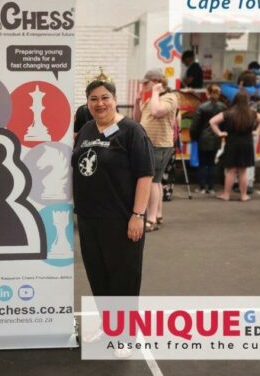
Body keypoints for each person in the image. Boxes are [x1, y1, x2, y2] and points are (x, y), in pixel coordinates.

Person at [72, 79, 153, 357]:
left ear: (115, 99)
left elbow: (145, 174)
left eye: (105, 97)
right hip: (89, 218)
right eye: (93, 99)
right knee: (99, 277)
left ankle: (125, 336)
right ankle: (109, 327)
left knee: (123, 279)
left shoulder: (132, 131)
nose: (100, 103)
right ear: (87, 103)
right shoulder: (86, 129)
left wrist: (137, 215)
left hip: (121, 219)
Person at [135, 69, 178, 232]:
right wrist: (138, 100)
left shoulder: (170, 98)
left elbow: (156, 112)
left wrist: (154, 92)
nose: (144, 85)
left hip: (159, 144)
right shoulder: (152, 99)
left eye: (147, 83)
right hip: (150, 144)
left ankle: (151, 219)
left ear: (157, 82)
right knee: (157, 181)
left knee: (151, 181)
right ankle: (158, 214)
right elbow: (138, 119)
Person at [210, 91, 260, 201]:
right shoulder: (252, 113)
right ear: (247, 101)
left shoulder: (228, 113)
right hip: (247, 144)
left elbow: (212, 121)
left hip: (232, 143)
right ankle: (243, 195)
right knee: (243, 171)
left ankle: (226, 194)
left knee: (230, 171)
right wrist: (256, 131)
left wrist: (220, 133)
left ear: (234, 100)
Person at [189, 83, 226, 194]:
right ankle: (211, 187)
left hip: (203, 138)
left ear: (207, 93)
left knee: (202, 163)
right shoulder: (223, 107)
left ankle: (202, 187)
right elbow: (225, 123)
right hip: (216, 138)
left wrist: (193, 137)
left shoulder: (201, 107)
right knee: (212, 163)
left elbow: (195, 126)